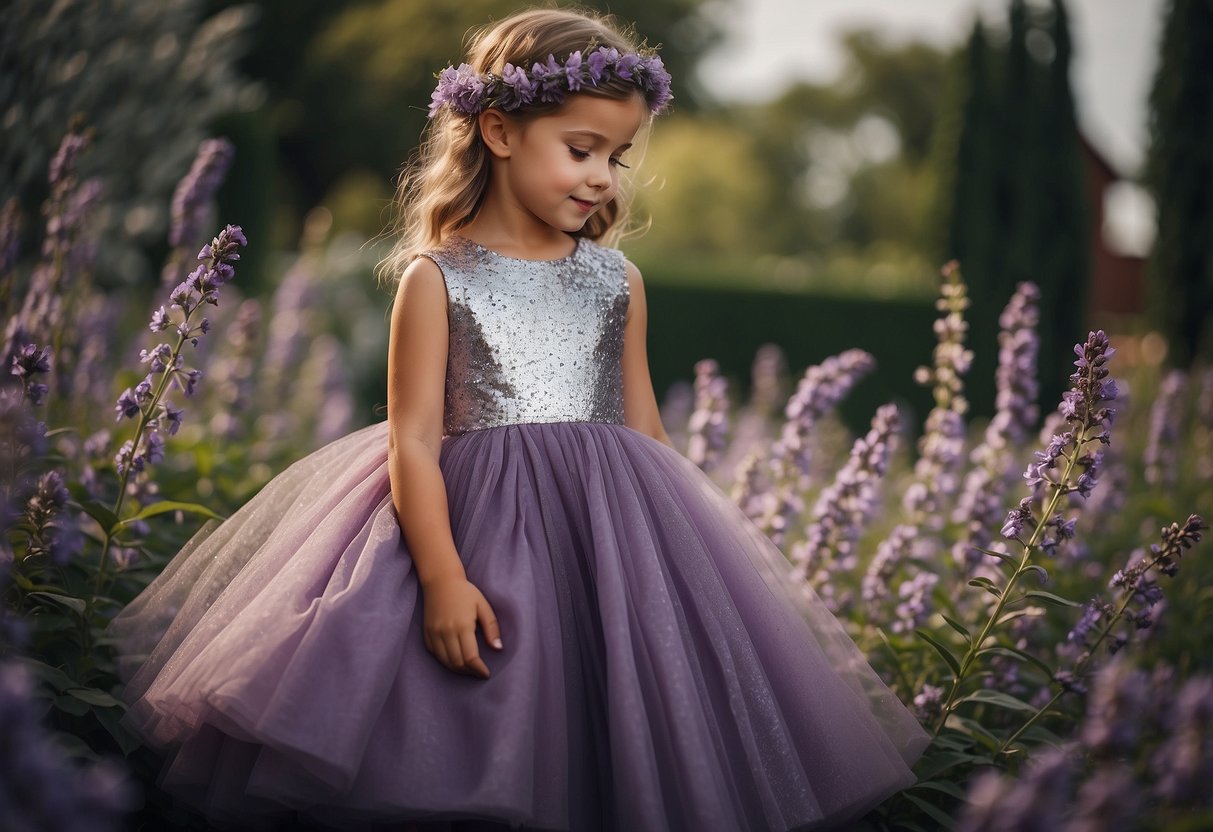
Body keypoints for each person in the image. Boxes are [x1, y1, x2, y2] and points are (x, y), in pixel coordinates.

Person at [108, 8, 930, 831]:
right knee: (475, 723)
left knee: (614, 739)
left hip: (610, 538)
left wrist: (683, 581)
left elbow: (647, 431)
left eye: (616, 155)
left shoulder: (617, 282)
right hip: (473, 534)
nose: (603, 177)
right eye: (580, 150)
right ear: (498, 131)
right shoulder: (436, 278)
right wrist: (440, 578)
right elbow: (414, 441)